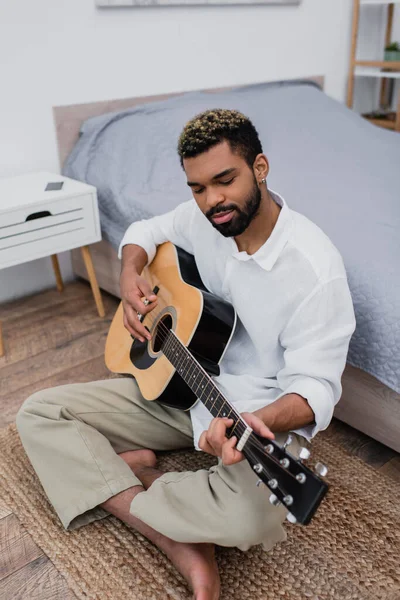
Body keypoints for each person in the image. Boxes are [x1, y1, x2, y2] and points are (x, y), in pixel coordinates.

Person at [16, 108, 356, 600]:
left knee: (252, 517)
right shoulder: (204, 221)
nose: (212, 200)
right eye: (198, 188)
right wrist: (131, 275)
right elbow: (143, 232)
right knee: (39, 413)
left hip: (246, 417)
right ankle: (178, 540)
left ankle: (138, 476)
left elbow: (316, 389)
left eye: (225, 181)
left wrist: (253, 421)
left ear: (260, 168)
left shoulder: (316, 268)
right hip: (176, 390)